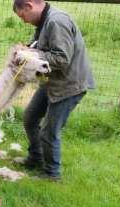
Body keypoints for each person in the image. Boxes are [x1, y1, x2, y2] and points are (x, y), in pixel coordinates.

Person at [12, 0, 95, 180]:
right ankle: (36, 158)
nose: (23, 21)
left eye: (22, 16)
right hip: (53, 80)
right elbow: (40, 46)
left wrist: (31, 56)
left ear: (28, 5)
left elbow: (62, 58)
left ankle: (52, 174)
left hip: (69, 84)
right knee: (30, 117)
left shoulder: (56, 21)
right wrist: (27, 48)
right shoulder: (43, 21)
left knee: (49, 131)